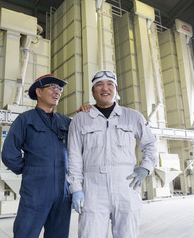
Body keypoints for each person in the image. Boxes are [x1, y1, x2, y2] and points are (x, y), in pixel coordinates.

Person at [67, 70, 158, 238]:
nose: (105, 88)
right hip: (93, 189)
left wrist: (145, 168)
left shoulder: (133, 117)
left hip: (126, 186)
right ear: (93, 92)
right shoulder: (80, 120)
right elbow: (74, 158)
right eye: (99, 85)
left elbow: (151, 144)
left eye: (110, 84)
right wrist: (76, 189)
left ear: (116, 90)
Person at [1, 74, 72, 238]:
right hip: (36, 190)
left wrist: (87, 111)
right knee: (25, 233)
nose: (57, 92)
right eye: (53, 87)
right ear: (39, 92)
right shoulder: (25, 120)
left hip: (63, 190)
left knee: (59, 235)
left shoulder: (66, 121)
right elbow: (9, 153)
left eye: (60, 89)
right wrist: (30, 170)